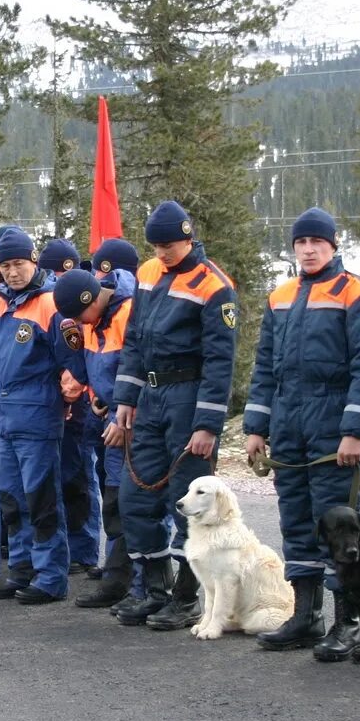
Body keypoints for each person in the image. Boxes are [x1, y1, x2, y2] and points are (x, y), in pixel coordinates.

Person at [245, 208, 360, 658]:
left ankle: (348, 626)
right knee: (296, 522)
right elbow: (265, 366)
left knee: (341, 528)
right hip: (289, 423)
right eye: (301, 243)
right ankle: (306, 616)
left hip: (332, 425)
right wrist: (256, 428)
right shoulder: (280, 297)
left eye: (317, 242)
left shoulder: (358, 294)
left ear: (333, 244)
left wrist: (354, 431)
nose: (308, 250)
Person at [113, 201, 238, 631]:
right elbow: (133, 339)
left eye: (168, 245)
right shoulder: (147, 274)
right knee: (134, 497)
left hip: (188, 395)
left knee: (189, 504)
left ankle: (187, 597)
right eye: (155, 246)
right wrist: (125, 398)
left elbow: (221, 361)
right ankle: (154, 588)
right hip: (149, 395)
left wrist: (207, 425)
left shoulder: (214, 285)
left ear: (188, 238)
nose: (161, 253)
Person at [0, 226, 87, 604]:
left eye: (18, 264)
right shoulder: (0, 303)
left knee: (41, 499)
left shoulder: (51, 304)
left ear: (33, 262)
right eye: (5, 266)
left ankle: (51, 575)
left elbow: (74, 364)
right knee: (12, 499)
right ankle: (21, 567)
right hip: (5, 419)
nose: (11, 272)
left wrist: (64, 402)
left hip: (37, 417)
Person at [52, 243, 137, 608]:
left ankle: (136, 585)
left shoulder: (129, 312)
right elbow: (93, 368)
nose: (82, 323)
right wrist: (98, 399)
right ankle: (119, 577)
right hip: (106, 417)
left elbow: (135, 370)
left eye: (81, 315)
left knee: (130, 503)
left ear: (93, 299)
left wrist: (119, 411)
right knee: (112, 496)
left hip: (132, 422)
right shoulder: (92, 318)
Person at [41, 237, 104, 576]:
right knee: (63, 479)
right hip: (59, 403)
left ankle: (84, 549)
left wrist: (69, 396)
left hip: (77, 406)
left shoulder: (69, 310)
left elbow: (75, 360)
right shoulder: (53, 302)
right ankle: (71, 547)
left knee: (79, 479)